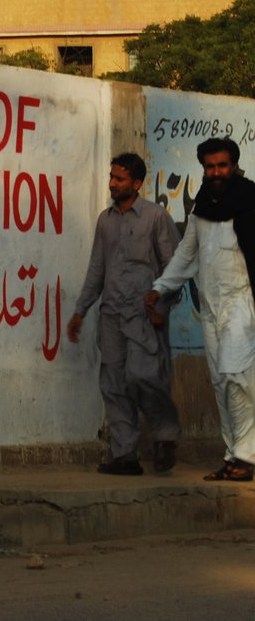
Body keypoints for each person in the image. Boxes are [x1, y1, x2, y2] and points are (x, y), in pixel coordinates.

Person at [145, 137, 255, 482]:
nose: (217, 172)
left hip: (243, 300)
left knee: (237, 374)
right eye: (210, 167)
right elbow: (185, 253)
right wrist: (162, 286)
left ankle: (246, 455)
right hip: (209, 306)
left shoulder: (250, 198)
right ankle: (233, 456)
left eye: (222, 165)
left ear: (234, 165)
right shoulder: (202, 205)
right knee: (221, 381)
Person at [67, 152, 181, 475]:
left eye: (119, 179)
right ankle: (125, 455)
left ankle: (165, 437)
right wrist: (80, 311)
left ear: (137, 183)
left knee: (144, 378)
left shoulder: (156, 217)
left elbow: (175, 267)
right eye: (111, 177)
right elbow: (96, 269)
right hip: (112, 314)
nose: (112, 183)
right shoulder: (106, 220)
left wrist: (161, 306)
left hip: (145, 316)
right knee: (113, 382)